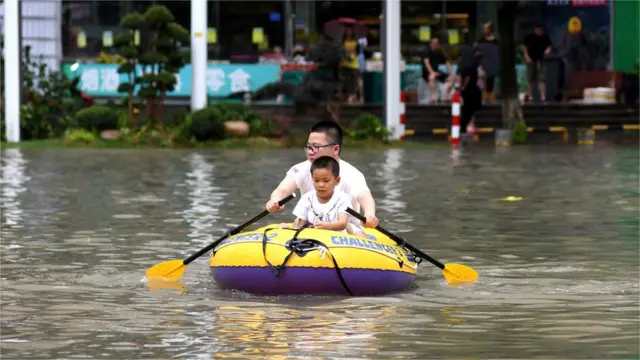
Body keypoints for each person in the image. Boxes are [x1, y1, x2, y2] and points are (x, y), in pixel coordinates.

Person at [265, 120, 378, 237]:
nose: (310, 152)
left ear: (335, 149)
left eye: (316, 147)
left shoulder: (352, 174)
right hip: (311, 224)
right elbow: (282, 190)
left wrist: (370, 214)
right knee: (297, 224)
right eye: (308, 147)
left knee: (358, 233)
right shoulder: (301, 168)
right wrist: (274, 200)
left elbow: (365, 196)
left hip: (346, 228)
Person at [291, 156, 351, 232]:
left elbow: (342, 223)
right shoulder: (307, 198)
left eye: (326, 181)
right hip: (313, 238)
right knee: (296, 222)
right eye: (316, 180)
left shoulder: (342, 198)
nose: (321, 185)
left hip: (336, 239)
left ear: (337, 180)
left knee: (349, 227)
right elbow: (300, 225)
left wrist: (326, 226)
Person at [419, 37, 455, 104]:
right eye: (434, 43)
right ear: (431, 44)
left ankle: (446, 95)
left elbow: (447, 63)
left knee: (451, 79)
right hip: (427, 73)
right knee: (432, 77)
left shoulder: (439, 53)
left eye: (437, 43)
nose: (435, 45)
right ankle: (433, 97)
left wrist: (452, 73)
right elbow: (427, 63)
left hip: (436, 71)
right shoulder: (426, 51)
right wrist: (432, 72)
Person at [522, 24, 552, 102]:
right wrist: (526, 56)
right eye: (538, 29)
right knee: (530, 79)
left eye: (541, 29)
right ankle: (530, 95)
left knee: (542, 79)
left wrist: (548, 50)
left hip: (541, 60)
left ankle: (543, 96)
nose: (540, 31)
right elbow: (524, 46)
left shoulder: (545, 37)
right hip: (531, 60)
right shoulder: (530, 37)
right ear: (535, 29)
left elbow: (549, 46)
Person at [458, 49, 483, 139]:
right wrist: (464, 86)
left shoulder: (463, 64)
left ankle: (465, 126)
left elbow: (461, 76)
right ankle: (466, 126)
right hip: (471, 90)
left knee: (467, 109)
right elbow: (468, 77)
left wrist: (461, 87)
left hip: (468, 91)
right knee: (469, 110)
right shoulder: (472, 65)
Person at [475, 22, 500, 104]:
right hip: (483, 66)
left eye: (486, 28)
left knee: (491, 84)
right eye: (484, 28)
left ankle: (491, 100)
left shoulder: (496, 42)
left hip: (493, 66)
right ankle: (484, 100)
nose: (484, 30)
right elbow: (477, 54)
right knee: (483, 84)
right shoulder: (480, 41)